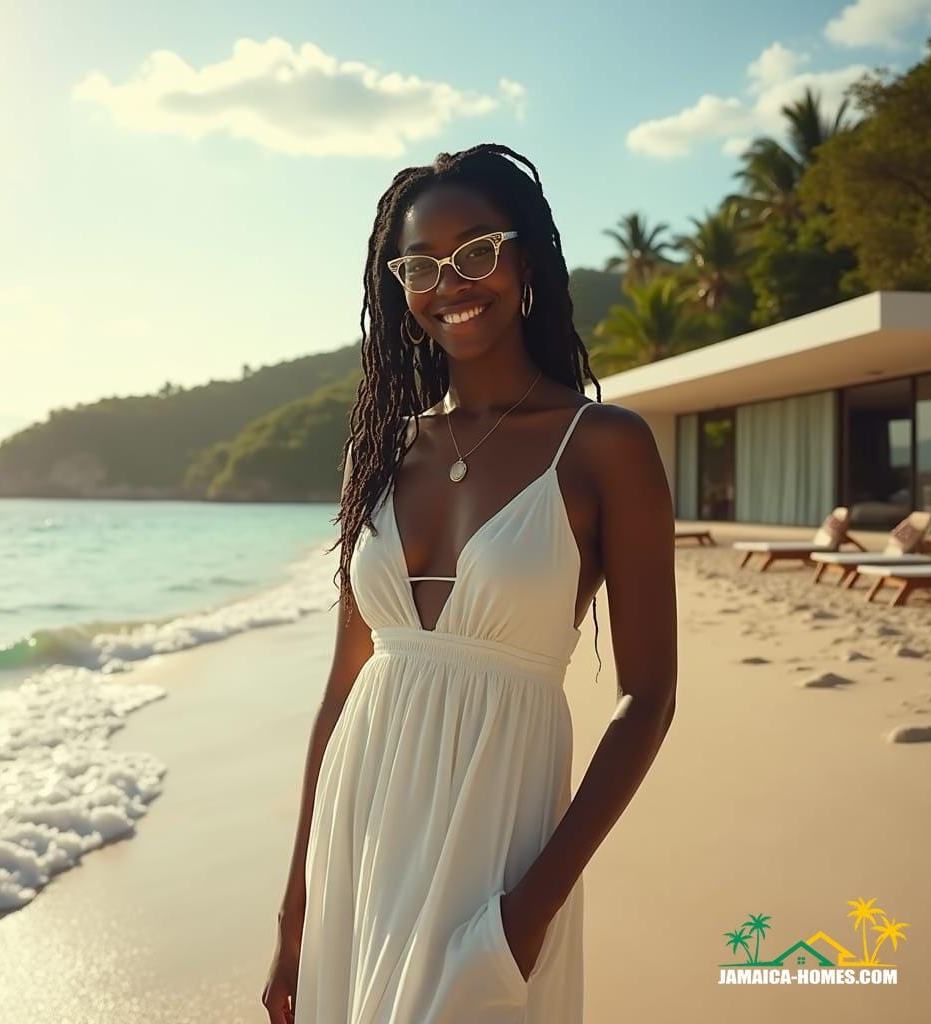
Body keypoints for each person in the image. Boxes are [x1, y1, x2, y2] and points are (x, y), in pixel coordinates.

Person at [263, 143, 677, 1023]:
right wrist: (295, 904)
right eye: (421, 264)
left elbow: (649, 695)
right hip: (359, 833)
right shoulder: (379, 450)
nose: (452, 281)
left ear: (525, 256)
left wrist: (529, 916)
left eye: (478, 251)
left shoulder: (605, 444)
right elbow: (344, 683)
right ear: (399, 289)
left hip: (498, 848)